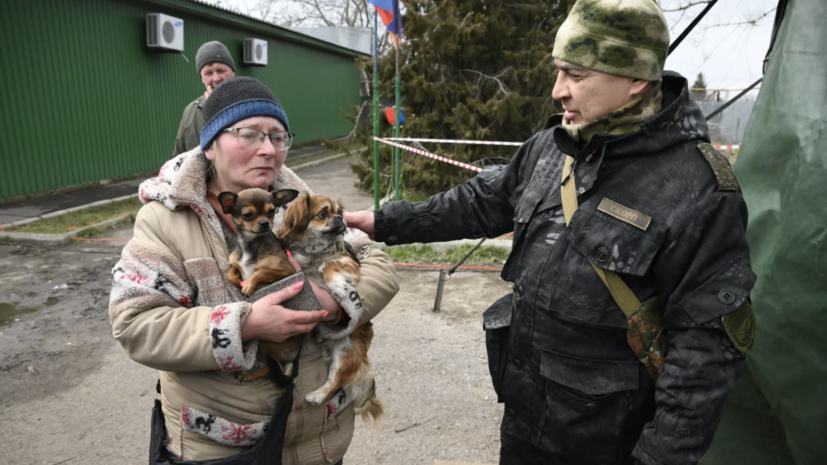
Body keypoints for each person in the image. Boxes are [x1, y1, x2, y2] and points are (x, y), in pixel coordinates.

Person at [345, 1, 756, 464]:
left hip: (609, 443)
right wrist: (384, 221)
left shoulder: (700, 188)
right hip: (525, 417)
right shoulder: (552, 146)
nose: (558, 91)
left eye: (576, 75)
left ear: (636, 78)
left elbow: (705, 349)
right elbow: (484, 202)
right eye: (558, 71)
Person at [110, 76, 399, 463]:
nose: (268, 149)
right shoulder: (164, 220)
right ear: (210, 145)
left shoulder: (300, 203)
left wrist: (335, 302)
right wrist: (243, 325)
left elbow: (378, 263)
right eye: (249, 134)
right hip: (225, 447)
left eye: (278, 137)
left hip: (320, 443)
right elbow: (136, 324)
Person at [173, 41, 237, 156]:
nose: (216, 78)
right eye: (208, 73)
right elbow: (179, 160)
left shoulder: (253, 106)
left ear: (233, 73)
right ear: (202, 78)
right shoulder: (191, 112)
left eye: (221, 70)